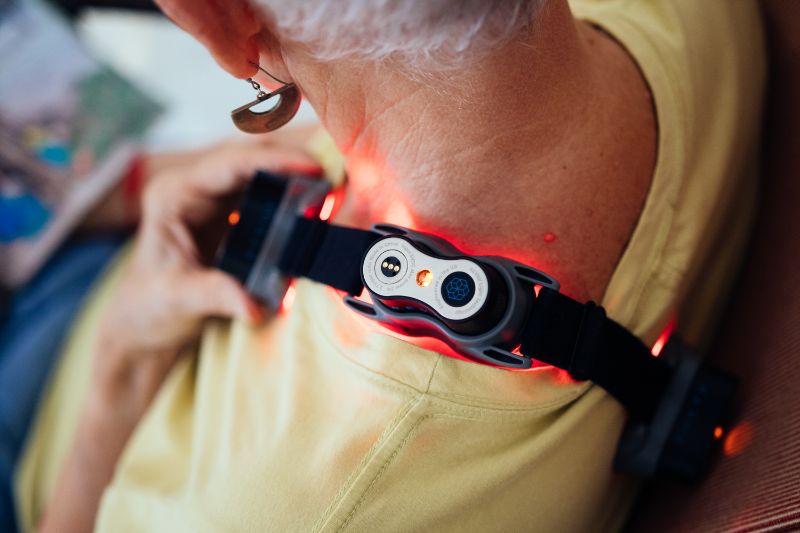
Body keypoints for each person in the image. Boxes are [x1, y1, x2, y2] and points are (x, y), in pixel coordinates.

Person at [13, 0, 765, 531]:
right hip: (156, 245)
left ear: (214, 18)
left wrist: (120, 357)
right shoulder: (688, 14)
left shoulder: (288, 509)